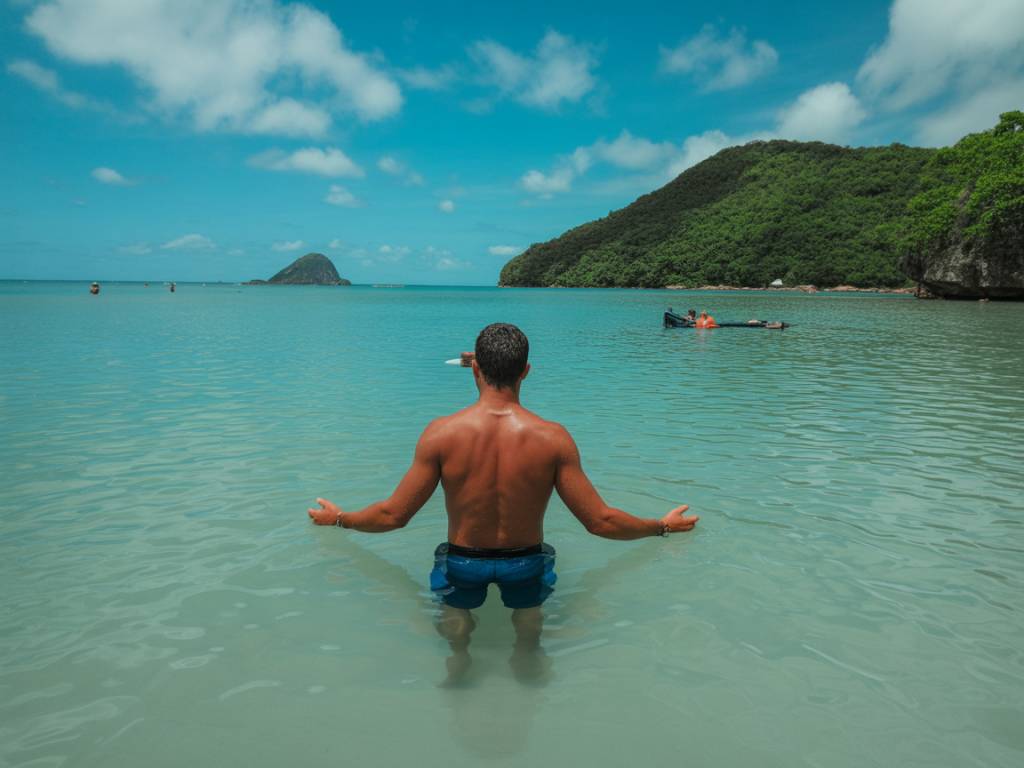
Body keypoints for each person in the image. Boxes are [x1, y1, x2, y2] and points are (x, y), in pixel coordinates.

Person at [308, 322, 698, 683]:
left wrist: (340, 519)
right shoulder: (552, 437)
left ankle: (459, 655)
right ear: (526, 371)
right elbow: (601, 521)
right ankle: (527, 653)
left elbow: (393, 515)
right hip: (525, 563)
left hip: (463, 563)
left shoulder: (441, 433)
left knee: (456, 610)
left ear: (475, 369)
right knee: (529, 614)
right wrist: (662, 527)